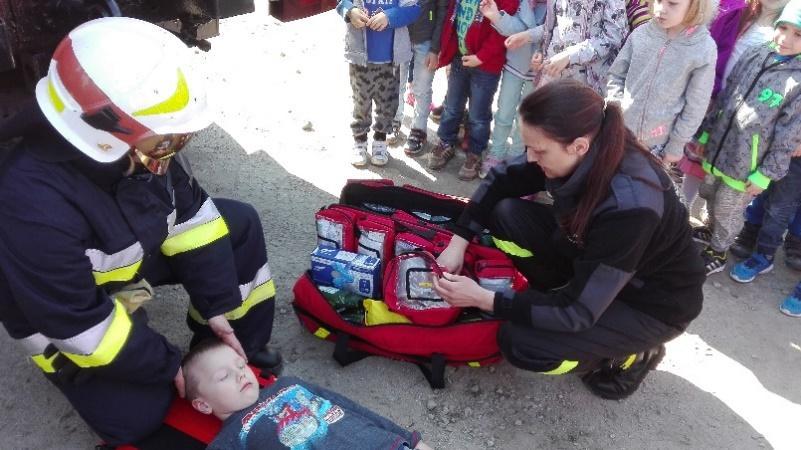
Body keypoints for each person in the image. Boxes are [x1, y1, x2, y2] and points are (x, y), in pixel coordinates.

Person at [0, 18, 281, 445]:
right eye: (166, 142)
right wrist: (172, 366)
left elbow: (194, 220)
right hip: (65, 318)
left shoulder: (143, 152)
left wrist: (218, 311)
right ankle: (183, 371)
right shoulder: (29, 206)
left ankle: (221, 351)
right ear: (105, 137)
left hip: (123, 264)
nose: (173, 150)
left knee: (236, 223)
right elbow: (82, 331)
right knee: (139, 419)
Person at [432, 80, 705, 400]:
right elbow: (501, 178)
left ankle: (628, 353)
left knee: (519, 343)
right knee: (506, 213)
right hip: (597, 260)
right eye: (528, 147)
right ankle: (557, 298)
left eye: (539, 150)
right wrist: (459, 241)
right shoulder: (580, 147)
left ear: (579, 146)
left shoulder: (630, 207)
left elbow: (576, 313)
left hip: (649, 302)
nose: (531, 158)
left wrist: (485, 299)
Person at [694, 0, 801, 275]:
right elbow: (729, 94)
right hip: (720, 147)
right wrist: (707, 131)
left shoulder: (797, 81)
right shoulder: (755, 53)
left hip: (747, 166)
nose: (786, 39)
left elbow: (788, 136)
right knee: (709, 193)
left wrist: (764, 174)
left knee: (729, 209)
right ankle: (709, 231)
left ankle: (719, 249)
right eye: (783, 28)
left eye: (798, 34)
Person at [183, 340, 433, 450]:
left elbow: (349, 407)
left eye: (240, 365)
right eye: (223, 376)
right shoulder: (230, 438)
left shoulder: (287, 384)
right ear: (203, 405)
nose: (240, 374)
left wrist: (409, 439)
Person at [680, 0, 791, 208]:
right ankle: (682, 210)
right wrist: (708, 92)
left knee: (726, 173)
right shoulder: (739, 13)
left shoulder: (789, 31)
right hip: (719, 103)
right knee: (698, 163)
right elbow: (716, 49)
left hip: (751, 121)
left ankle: (706, 216)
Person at [606, 0, 718, 163]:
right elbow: (616, 74)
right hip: (620, 132)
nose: (661, 9)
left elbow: (696, 104)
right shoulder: (641, 33)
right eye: (658, 0)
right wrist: (615, 109)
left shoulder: (703, 49)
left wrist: (676, 145)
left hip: (658, 146)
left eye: (672, 4)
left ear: (694, 6)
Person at [426, 0, 519, 180]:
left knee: (478, 114)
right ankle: (446, 141)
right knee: (452, 106)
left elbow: (502, 32)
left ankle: (475, 152)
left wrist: (481, 57)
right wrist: (446, 49)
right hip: (460, 57)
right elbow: (453, 18)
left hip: (486, 65)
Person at [336, 0, 422, 167]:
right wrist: (350, 11)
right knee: (361, 102)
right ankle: (359, 141)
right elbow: (341, 2)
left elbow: (414, 9)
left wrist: (390, 16)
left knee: (387, 104)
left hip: (390, 59)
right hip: (360, 57)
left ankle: (380, 141)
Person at [478, 0, 547, 178]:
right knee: (504, 111)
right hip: (515, 64)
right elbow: (516, 29)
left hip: (540, 70)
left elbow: (552, 33)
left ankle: (516, 156)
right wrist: (497, 17)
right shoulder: (524, 3)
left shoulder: (556, 6)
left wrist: (542, 53)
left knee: (525, 118)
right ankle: (497, 152)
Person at [503, 0, 628, 95]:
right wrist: (530, 37)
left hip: (585, 87)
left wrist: (569, 56)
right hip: (552, 76)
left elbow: (614, 37)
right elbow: (556, 26)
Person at [392, 0, 449, 157]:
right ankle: (394, 119)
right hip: (400, 34)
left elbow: (442, 12)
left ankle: (418, 130)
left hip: (426, 39)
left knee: (422, 87)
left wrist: (435, 48)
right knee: (397, 81)